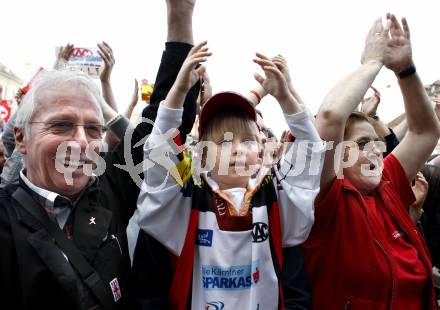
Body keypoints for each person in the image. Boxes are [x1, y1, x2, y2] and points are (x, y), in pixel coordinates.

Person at [0, 0, 200, 308]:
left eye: (94, 130)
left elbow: (160, 127)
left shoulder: (111, 186)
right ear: (21, 139)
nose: (81, 141)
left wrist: (180, 15)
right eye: (62, 125)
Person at [129, 37, 325, 307]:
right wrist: (176, 93)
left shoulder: (277, 198)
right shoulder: (183, 199)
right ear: (204, 154)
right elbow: (158, 150)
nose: (237, 150)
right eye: (223, 141)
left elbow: (311, 150)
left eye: (247, 141)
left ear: (260, 150)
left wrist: (286, 97)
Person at [301, 15, 439, 309]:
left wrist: (405, 69)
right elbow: (330, 117)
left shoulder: (387, 184)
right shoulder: (326, 197)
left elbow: (425, 131)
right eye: (363, 144)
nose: (377, 151)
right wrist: (373, 64)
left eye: (377, 143)